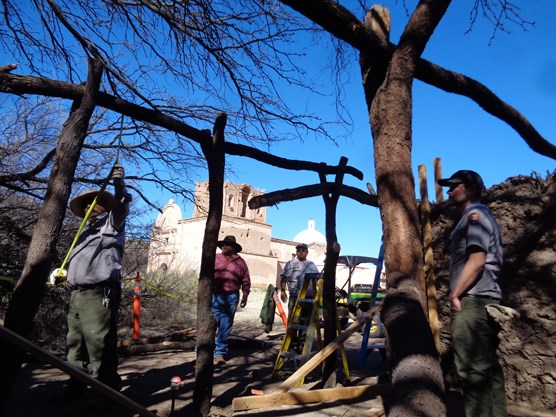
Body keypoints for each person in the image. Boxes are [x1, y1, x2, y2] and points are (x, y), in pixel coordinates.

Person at [438, 169, 507, 417]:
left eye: (454, 186)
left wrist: (455, 294)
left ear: (470, 188)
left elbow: (477, 260)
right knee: (487, 369)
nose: (449, 190)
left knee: (473, 370)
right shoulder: (477, 216)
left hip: (473, 299)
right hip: (484, 299)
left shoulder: (475, 215)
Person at [57, 164, 131, 394]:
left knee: (98, 341)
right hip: (77, 293)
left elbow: (121, 207)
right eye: (87, 204)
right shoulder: (83, 232)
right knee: (75, 342)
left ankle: (106, 389)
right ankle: (76, 383)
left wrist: (119, 185)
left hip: (99, 293)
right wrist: (64, 275)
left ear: (104, 206)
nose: (90, 206)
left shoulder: (111, 223)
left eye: (95, 202)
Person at [213, 235, 251, 365]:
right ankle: (202, 352)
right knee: (210, 325)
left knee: (225, 326)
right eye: (223, 244)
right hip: (215, 296)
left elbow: (246, 280)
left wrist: (245, 295)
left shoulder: (241, 262)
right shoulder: (216, 258)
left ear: (233, 248)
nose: (224, 246)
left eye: (227, 245)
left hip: (231, 297)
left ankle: (219, 354)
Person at [280, 243, 320, 337]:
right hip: (295, 298)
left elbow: (317, 280)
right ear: (296, 252)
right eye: (298, 250)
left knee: (305, 322)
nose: (301, 252)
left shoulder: (311, 265)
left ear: (307, 252)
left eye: (303, 250)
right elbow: (284, 279)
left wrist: (322, 290)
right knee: (293, 322)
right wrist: (282, 291)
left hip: (308, 298)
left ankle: (302, 345)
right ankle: (291, 344)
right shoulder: (290, 264)